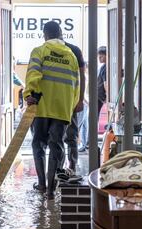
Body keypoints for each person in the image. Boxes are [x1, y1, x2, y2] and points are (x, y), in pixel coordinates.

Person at [23, 21, 80, 200]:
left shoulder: (39, 51)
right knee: (57, 146)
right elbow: (76, 86)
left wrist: (28, 94)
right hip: (62, 109)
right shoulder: (71, 56)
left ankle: (41, 184)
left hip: (41, 107)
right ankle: (51, 191)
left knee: (38, 144)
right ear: (61, 33)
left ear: (45, 35)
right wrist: (70, 107)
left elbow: (33, 75)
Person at [61, 33, 86, 172]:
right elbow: (82, 77)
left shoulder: (73, 50)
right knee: (68, 137)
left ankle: (70, 167)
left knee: (65, 137)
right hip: (68, 102)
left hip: (61, 104)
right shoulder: (74, 50)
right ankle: (69, 167)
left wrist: (81, 100)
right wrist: (80, 99)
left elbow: (82, 76)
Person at [97, 46, 108, 119]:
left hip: (99, 95)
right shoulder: (104, 67)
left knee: (94, 115)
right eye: (98, 57)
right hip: (99, 95)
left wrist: (107, 96)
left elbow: (106, 84)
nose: (99, 58)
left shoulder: (105, 67)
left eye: (101, 56)